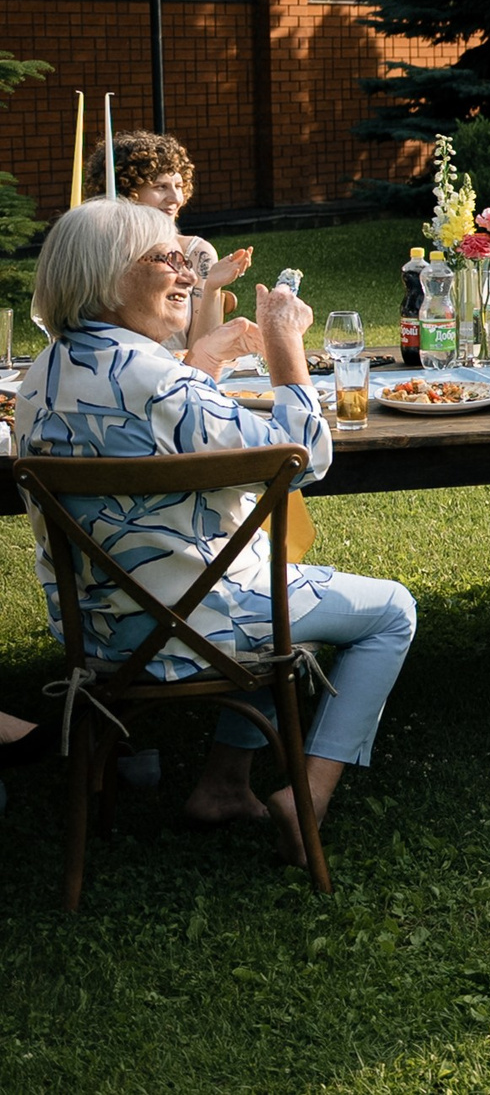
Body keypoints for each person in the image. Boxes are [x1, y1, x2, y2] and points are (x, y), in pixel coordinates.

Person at [15, 199, 416, 866]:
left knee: (255, 572)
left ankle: (224, 784)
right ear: (107, 277)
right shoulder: (156, 378)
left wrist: (197, 363)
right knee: (392, 609)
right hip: (191, 622)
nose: (188, 275)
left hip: (100, 626)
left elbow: (143, 435)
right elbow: (305, 453)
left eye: (185, 259)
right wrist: (286, 344)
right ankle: (308, 795)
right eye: (166, 258)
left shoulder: (43, 373)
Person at [85, 131, 253, 360]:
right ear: (127, 191)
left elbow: (203, 356)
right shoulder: (98, 251)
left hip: (175, 382)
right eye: (160, 187)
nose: (176, 198)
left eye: (179, 185)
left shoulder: (196, 254)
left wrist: (212, 287)